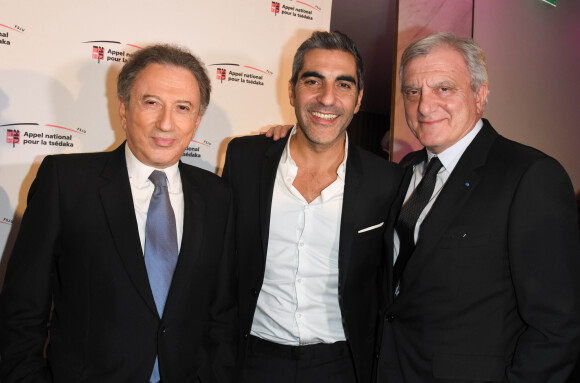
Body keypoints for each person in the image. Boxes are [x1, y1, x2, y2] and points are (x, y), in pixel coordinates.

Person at [0, 44, 237, 383]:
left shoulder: (217, 196)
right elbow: (21, 310)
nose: (166, 123)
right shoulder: (65, 182)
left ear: (197, 121)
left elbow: (221, 314)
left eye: (182, 108)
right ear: (124, 109)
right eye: (151, 103)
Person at [375, 32, 580, 382]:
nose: (424, 106)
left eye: (444, 88)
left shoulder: (529, 176)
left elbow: (556, 328)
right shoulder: (407, 169)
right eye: (413, 91)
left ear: (480, 94)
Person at [222, 31, 402, 382]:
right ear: (292, 90)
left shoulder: (388, 181)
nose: (327, 98)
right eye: (313, 81)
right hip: (253, 359)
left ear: (359, 98)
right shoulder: (245, 158)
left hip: (344, 365)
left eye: (344, 85)